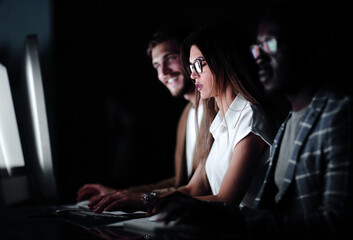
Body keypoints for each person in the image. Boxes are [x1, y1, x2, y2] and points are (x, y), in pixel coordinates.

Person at [148, 4, 353, 239]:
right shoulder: (286, 124)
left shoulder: (338, 114)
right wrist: (143, 201)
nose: (260, 58)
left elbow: (335, 222)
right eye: (258, 48)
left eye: (271, 45)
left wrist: (203, 213)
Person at [145, 22, 278, 211]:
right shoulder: (219, 122)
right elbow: (192, 189)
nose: (192, 75)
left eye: (199, 64)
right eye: (191, 66)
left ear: (224, 60)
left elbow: (226, 199)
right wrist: (143, 201)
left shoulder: (250, 116)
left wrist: (157, 204)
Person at [76, 30, 206, 213]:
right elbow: (180, 182)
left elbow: (200, 188)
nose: (163, 72)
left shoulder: (217, 110)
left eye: (170, 58)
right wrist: (121, 193)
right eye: (156, 65)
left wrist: (143, 199)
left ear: (192, 56)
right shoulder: (186, 114)